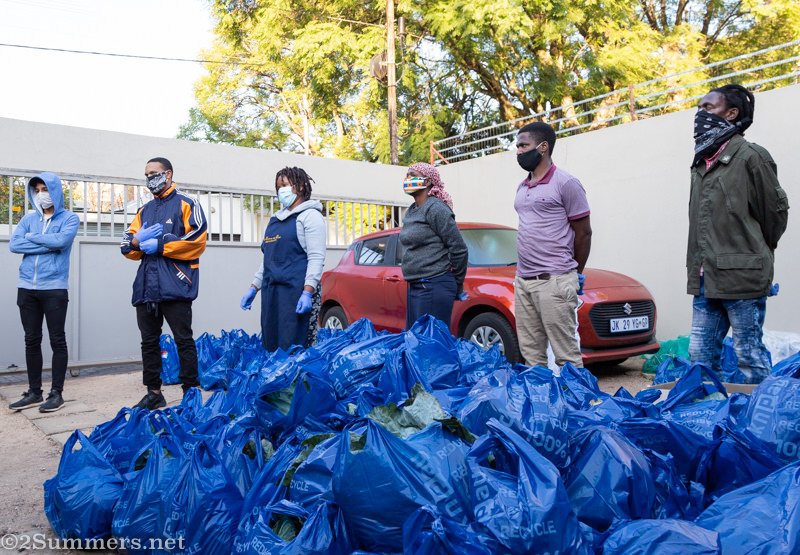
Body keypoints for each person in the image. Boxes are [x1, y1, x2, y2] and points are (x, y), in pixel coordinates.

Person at [687, 84, 789, 384]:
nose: (700, 114)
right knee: (700, 356)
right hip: (705, 278)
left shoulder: (751, 157)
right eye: (700, 107)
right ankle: (711, 409)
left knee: (749, 356)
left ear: (731, 114)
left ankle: (759, 411)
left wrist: (755, 252)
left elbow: (775, 215)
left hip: (742, 277)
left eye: (708, 107)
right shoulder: (701, 162)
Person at [120, 157, 207, 410]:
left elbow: (197, 240)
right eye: (146, 175)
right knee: (148, 342)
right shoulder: (144, 210)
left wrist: (160, 245)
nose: (149, 178)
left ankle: (190, 391)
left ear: (168, 174)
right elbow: (126, 247)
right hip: (147, 287)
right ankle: (154, 392)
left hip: (176, 284)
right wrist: (136, 242)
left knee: (183, 339)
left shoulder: (187, 203)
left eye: (154, 173)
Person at [514, 122, 592, 369]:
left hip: (554, 280)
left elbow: (584, 233)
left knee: (566, 356)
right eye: (517, 146)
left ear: (543, 147)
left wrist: (575, 274)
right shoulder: (522, 186)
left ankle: (575, 395)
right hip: (523, 281)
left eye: (523, 145)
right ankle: (541, 395)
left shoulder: (566, 183)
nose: (518, 151)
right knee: (532, 358)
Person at [8, 172, 79, 412]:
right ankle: (34, 392)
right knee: (31, 339)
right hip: (26, 287)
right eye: (37, 190)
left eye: (45, 189)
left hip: (54, 287)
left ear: (55, 191)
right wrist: (46, 242)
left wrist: (34, 239)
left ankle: (56, 393)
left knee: (57, 339)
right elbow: (15, 244)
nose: (41, 195)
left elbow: (61, 242)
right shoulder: (28, 220)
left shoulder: (70, 218)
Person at [240, 167, 326, 351]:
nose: (281, 191)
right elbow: (267, 260)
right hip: (273, 294)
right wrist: (254, 287)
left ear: (300, 186)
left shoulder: (310, 216)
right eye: (278, 187)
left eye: (285, 185)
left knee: (297, 346)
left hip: (298, 294)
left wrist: (308, 293)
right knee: (272, 344)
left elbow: (316, 258)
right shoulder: (275, 221)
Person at [398, 162, 468, 329]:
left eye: (413, 175)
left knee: (430, 340)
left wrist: (457, 284)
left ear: (428, 181)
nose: (408, 178)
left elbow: (459, 249)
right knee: (416, 339)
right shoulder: (412, 210)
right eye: (407, 175)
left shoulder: (436, 208)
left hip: (433, 285)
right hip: (416, 285)